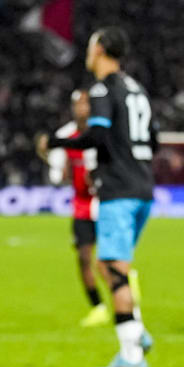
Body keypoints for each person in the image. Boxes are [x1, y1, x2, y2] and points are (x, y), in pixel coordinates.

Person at [37, 27, 157, 367]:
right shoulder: (137, 89)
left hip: (118, 192)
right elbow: (154, 138)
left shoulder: (102, 89)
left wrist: (56, 144)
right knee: (107, 265)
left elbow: (98, 134)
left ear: (101, 49)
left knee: (115, 273)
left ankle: (131, 355)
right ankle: (137, 332)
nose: (87, 54)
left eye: (90, 47)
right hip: (143, 188)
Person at [40, 89, 108, 327]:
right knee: (83, 258)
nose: (83, 109)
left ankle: (126, 292)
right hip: (81, 206)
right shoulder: (65, 135)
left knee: (106, 262)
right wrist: (58, 169)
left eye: (86, 104)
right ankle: (98, 307)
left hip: (106, 203)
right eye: (79, 104)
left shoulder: (102, 133)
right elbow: (57, 175)